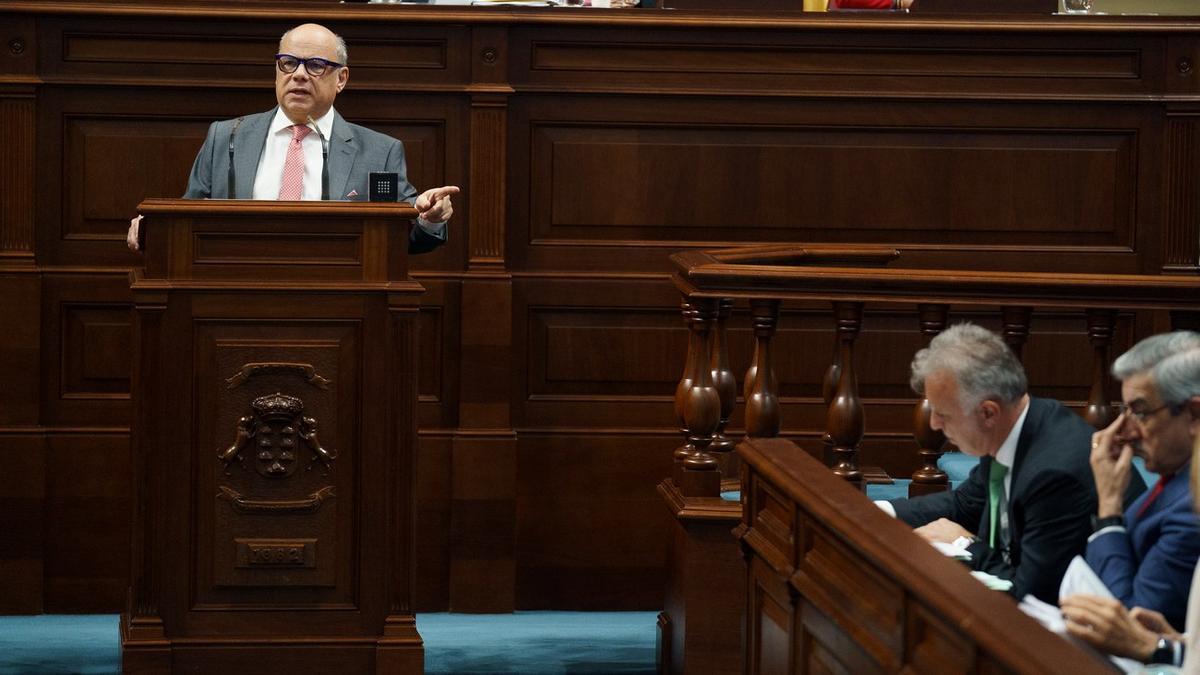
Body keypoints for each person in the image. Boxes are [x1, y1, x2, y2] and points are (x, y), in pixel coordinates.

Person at [127, 23, 458, 253]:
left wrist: (429, 217)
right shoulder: (227, 137)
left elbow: (403, 237)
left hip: (340, 305)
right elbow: (189, 218)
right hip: (234, 298)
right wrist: (155, 229)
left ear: (341, 78)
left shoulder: (379, 152)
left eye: (315, 65)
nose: (298, 74)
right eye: (288, 63)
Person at [877, 322, 1145, 604]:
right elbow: (965, 505)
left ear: (988, 413)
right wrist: (877, 511)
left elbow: (1030, 594)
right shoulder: (1016, 424)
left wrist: (965, 544)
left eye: (944, 415)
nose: (933, 424)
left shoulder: (1055, 474)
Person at [1061, 346, 1200, 670]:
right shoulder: (1175, 481)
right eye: (1124, 412)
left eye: (1140, 412)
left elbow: (1125, 628)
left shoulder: (1191, 509)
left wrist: (1109, 507)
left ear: (1193, 415)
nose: (1126, 431)